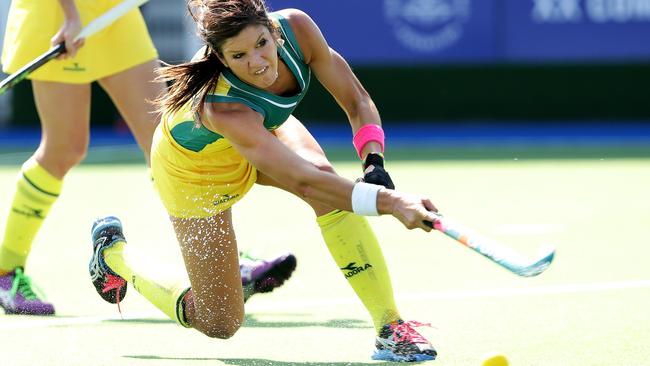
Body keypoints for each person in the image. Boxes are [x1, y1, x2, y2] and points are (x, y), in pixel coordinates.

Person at [88, 0, 441, 362]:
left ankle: (390, 328)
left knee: (326, 183)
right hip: (194, 174)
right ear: (221, 59)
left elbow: (356, 100)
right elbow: (303, 182)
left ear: (273, 31)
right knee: (218, 321)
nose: (257, 63)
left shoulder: (298, 29)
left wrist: (374, 163)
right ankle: (114, 255)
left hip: (261, 128)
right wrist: (391, 202)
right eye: (238, 56)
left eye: (261, 44)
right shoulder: (221, 106)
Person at [0, 0, 295, 316]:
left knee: (164, 138)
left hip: (113, 14)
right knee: (64, 149)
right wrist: (71, 16)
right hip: (59, 15)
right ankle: (6, 271)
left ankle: (223, 262)